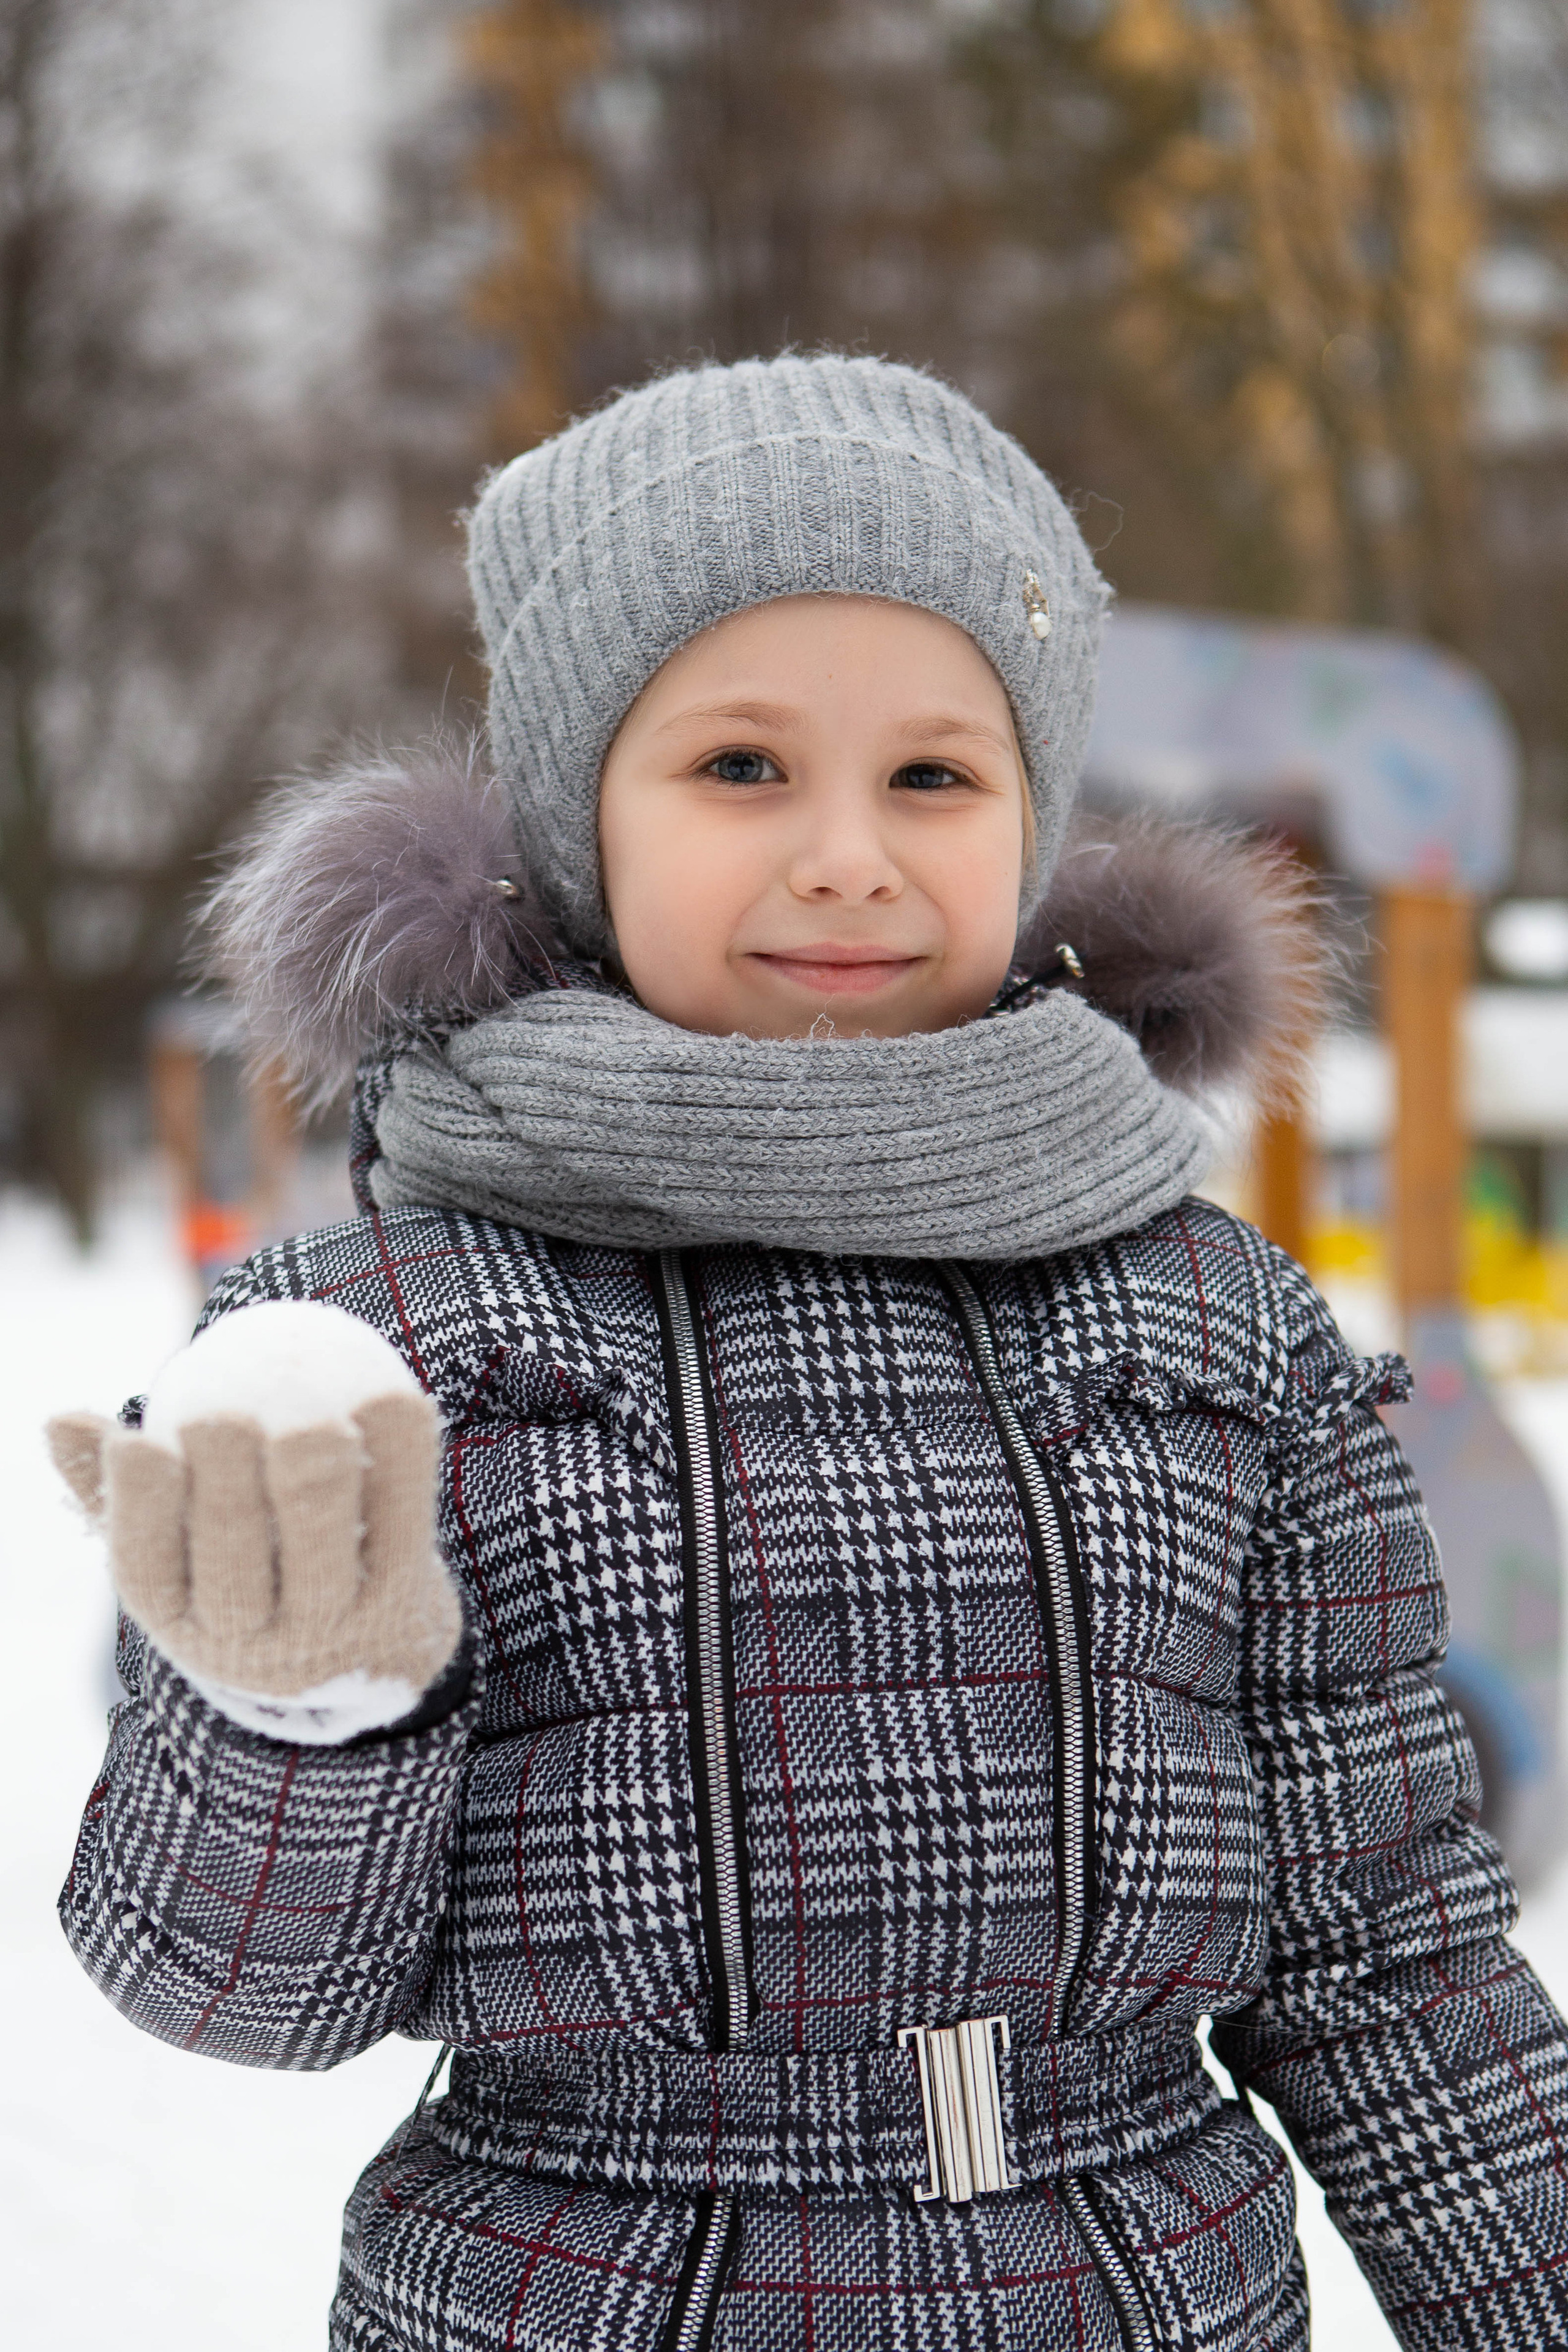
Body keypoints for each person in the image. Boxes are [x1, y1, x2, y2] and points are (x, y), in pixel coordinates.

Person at [48, 355, 1568, 2352]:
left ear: (1031, 821)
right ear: (576, 816)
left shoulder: (1216, 1322)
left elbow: (1393, 1958)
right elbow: (237, 1991)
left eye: (933, 775)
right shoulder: (391, 1339)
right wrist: (301, 1709)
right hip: (576, 2294)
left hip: (1142, 2292)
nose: (849, 854)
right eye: (743, 767)